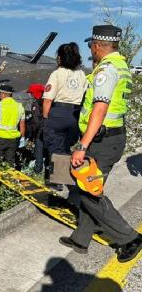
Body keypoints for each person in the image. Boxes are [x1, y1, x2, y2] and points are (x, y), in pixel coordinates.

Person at [59, 25, 142, 263]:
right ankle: (81, 238)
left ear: (97, 46)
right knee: (89, 187)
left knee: (88, 190)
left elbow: (100, 108)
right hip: (112, 136)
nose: (90, 51)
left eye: (91, 47)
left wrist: (82, 146)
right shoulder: (122, 65)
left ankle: (129, 238)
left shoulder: (106, 70)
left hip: (101, 139)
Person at [42, 42, 87, 190]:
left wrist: (45, 118)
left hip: (58, 112)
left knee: (55, 147)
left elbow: (48, 99)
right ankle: (66, 178)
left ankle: (57, 182)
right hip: (75, 114)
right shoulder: (81, 74)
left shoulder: (57, 73)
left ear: (60, 58)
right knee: (67, 146)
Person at [0, 84, 26, 166]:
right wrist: (22, 138)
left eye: (0, 93)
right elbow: (22, 125)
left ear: (3, 94)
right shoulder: (19, 107)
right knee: (10, 162)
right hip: (13, 139)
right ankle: (8, 178)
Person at [26, 83, 47, 174]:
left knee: (39, 149)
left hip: (41, 131)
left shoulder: (36, 104)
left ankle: (38, 169)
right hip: (50, 130)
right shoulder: (48, 101)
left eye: (31, 93)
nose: (30, 95)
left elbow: (36, 121)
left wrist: (32, 133)